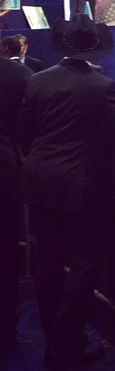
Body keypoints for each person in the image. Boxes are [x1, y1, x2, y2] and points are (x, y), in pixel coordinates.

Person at [17, 14, 115, 369]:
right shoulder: (102, 84)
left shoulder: (39, 81)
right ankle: (65, 344)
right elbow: (112, 137)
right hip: (83, 186)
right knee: (87, 262)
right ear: (94, 48)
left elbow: (24, 132)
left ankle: (58, 345)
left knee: (46, 265)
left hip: (41, 182)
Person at [0, 48, 31, 345]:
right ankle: (5, 326)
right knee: (7, 254)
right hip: (5, 172)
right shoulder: (17, 73)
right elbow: (30, 126)